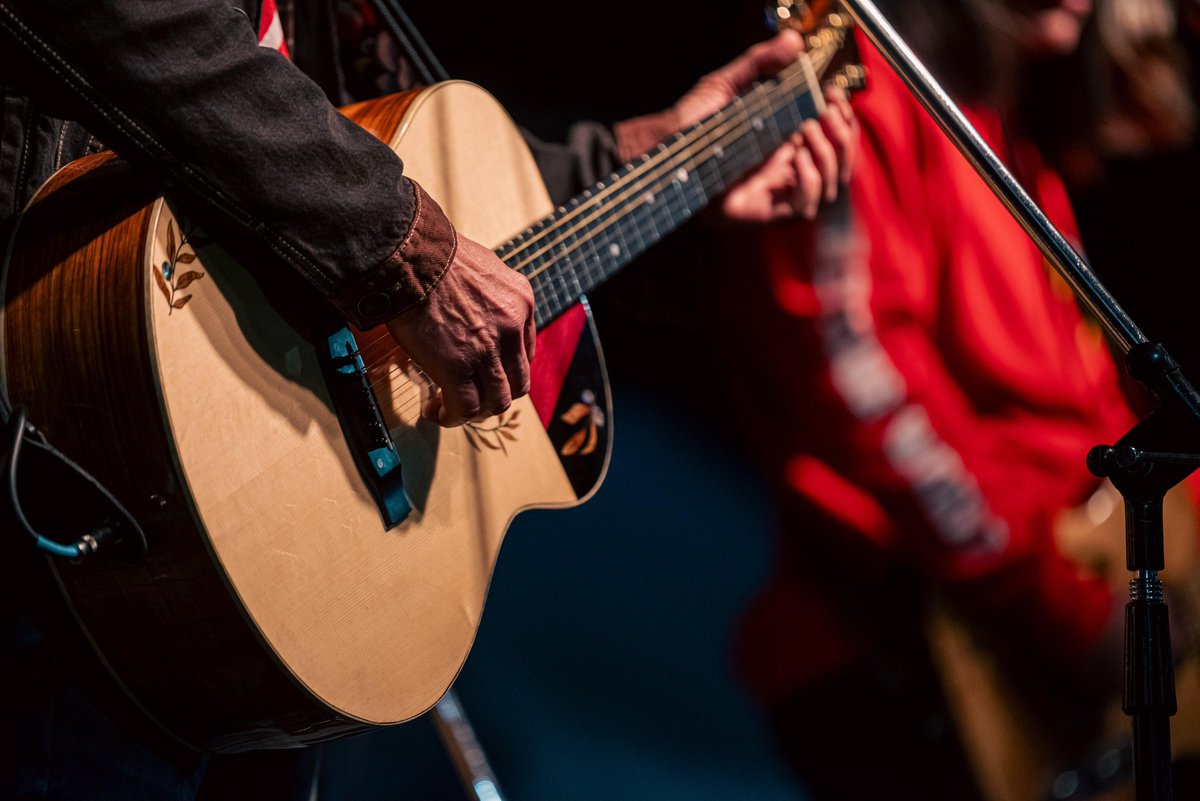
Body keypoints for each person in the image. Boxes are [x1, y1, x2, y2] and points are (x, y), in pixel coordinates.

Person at [0, 1, 855, 799]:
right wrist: (406, 252)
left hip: (263, 536)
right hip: (70, 433)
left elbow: (328, 123)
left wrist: (632, 160)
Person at [715, 0, 1196, 798]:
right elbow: (868, 393)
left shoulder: (995, 110)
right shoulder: (855, 79)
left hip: (1039, 632)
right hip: (913, 663)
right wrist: (1070, 613)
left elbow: (1071, 404)